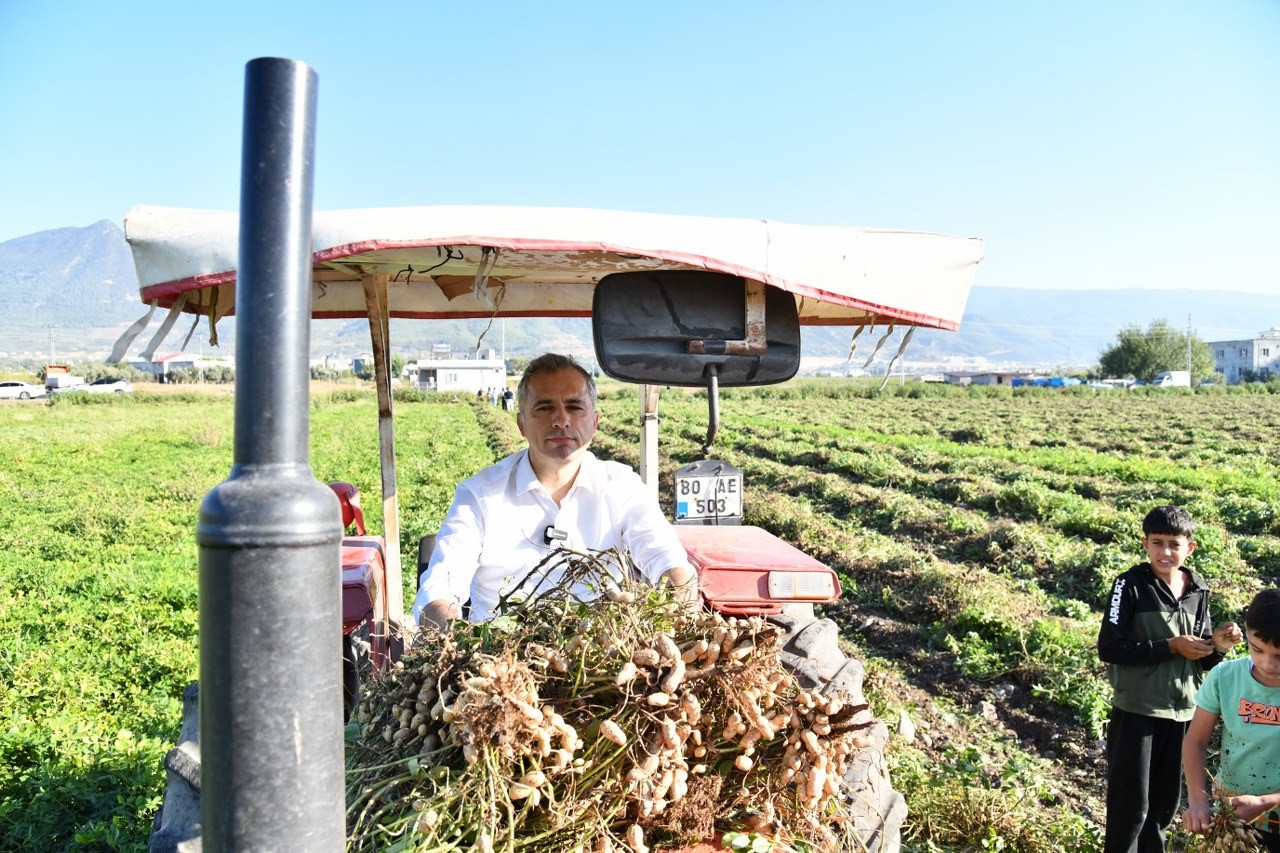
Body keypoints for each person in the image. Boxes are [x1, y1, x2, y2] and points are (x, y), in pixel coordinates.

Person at [413, 353, 696, 630]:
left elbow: (666, 558)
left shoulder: (622, 486)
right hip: (501, 657)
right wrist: (455, 637)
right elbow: (439, 588)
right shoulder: (479, 495)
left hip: (603, 655)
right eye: (545, 408)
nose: (561, 420)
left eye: (574, 407)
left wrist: (677, 603)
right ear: (522, 423)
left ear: (595, 422)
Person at [1097, 505, 1243, 853]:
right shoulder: (1129, 585)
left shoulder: (1197, 589)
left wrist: (1217, 647)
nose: (1166, 552)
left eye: (1174, 544)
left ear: (1189, 548)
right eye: (1157, 542)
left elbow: (1202, 658)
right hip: (1138, 709)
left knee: (1162, 810)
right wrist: (1170, 646)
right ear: (1145, 544)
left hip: (1182, 714)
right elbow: (1110, 647)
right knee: (1130, 810)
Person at [1182, 588, 1280, 851]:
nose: (1268, 664)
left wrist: (1269, 801)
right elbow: (1195, 741)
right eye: (1257, 649)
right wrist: (1198, 801)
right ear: (1246, 632)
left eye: (1279, 657)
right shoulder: (1225, 677)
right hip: (1234, 816)